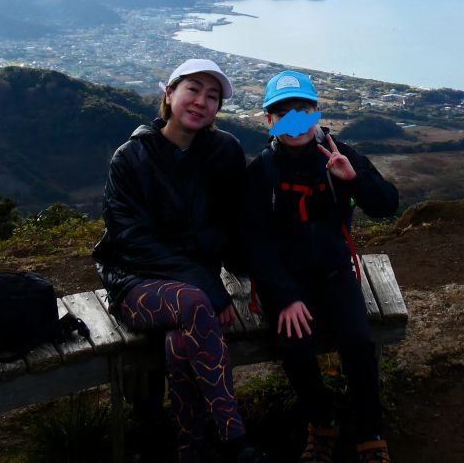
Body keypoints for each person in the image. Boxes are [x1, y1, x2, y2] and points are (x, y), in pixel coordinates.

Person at [92, 58, 267, 463]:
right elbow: (132, 241)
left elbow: (235, 222)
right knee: (194, 304)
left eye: (213, 96)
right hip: (135, 281)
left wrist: (265, 272)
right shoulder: (130, 158)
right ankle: (234, 438)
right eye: (193, 89)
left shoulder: (224, 152)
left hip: (194, 288)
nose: (201, 101)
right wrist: (206, 286)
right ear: (169, 95)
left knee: (181, 338)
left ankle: (190, 448)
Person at [243, 70, 400, 463]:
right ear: (269, 121)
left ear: (316, 112)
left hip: (334, 273)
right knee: (294, 348)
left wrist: (353, 179)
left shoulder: (338, 153)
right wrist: (286, 298)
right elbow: (255, 245)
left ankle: (371, 434)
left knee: (358, 344)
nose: (294, 120)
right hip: (288, 283)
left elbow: (386, 205)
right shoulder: (261, 172)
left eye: (302, 110)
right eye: (283, 113)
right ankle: (322, 421)